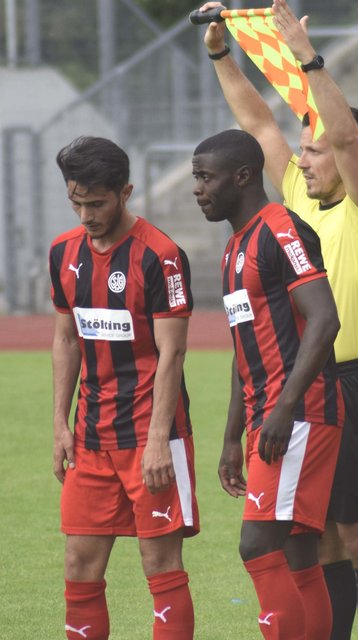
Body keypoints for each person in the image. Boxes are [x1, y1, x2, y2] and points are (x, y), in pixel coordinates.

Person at [199, 1, 358, 639]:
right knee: (321, 543)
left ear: (352, 156)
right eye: (303, 152)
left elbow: (341, 135)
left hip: (350, 383)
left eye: (315, 151)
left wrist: (306, 58)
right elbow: (257, 124)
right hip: (298, 390)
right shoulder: (294, 203)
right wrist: (221, 54)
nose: (304, 160)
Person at [193, 128, 345, 639]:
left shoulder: (281, 230)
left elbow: (325, 320)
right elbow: (244, 354)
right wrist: (232, 437)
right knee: (298, 552)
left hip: (299, 414)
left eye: (205, 177)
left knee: (257, 546)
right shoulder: (234, 248)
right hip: (269, 417)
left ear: (242, 176)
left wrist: (283, 409)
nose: (198, 189)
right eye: (195, 177)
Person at [49, 136, 199, 640]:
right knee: (79, 562)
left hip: (150, 437)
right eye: (76, 201)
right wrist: (59, 423)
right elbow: (67, 337)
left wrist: (159, 438)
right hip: (91, 437)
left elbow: (172, 353)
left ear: (126, 192)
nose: (86, 214)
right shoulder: (63, 254)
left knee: (159, 561)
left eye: (97, 202)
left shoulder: (161, 256)